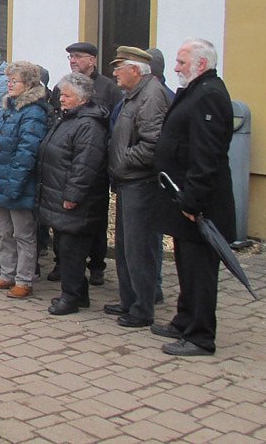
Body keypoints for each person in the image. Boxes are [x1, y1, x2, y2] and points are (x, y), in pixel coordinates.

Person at [152, 38, 235, 356]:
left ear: (201, 64)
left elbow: (207, 154)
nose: (175, 67)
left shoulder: (209, 95)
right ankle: (184, 320)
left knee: (199, 271)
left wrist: (193, 200)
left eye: (181, 62)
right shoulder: (196, 90)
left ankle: (200, 336)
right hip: (182, 196)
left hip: (200, 203)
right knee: (186, 265)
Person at [103, 47, 170, 329]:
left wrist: (123, 159)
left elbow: (153, 144)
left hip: (141, 183)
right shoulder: (134, 94)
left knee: (139, 247)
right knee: (125, 246)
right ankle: (129, 299)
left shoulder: (152, 95)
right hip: (128, 181)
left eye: (119, 68)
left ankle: (142, 309)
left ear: (135, 70)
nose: (114, 73)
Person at [48, 41, 121, 286]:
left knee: (94, 219)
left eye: (78, 56)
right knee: (62, 220)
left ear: (92, 60)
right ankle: (62, 263)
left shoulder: (108, 88)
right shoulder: (62, 85)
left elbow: (114, 124)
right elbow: (56, 117)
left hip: (95, 164)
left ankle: (97, 265)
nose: (73, 61)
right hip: (65, 163)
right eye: (70, 57)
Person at [36, 72, 109, 315]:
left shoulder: (89, 125)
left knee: (72, 251)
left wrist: (72, 195)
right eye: (61, 95)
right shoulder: (67, 118)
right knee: (65, 248)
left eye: (67, 96)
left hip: (77, 201)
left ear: (82, 98)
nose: (61, 99)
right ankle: (78, 293)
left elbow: (85, 165)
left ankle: (71, 298)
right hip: (58, 193)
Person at [0, 62, 50, 299]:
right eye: (9, 81)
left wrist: (15, 183)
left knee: (23, 234)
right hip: (0, 178)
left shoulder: (33, 112)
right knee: (4, 231)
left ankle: (24, 279)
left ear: (29, 84)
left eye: (15, 81)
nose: (9, 85)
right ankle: (7, 274)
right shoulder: (8, 108)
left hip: (19, 183)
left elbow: (27, 151)